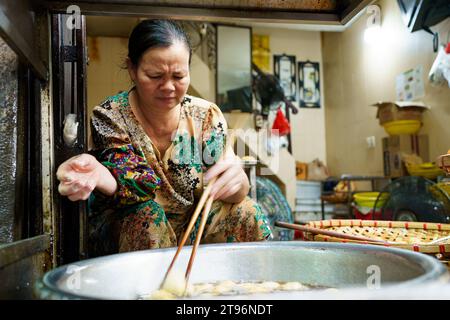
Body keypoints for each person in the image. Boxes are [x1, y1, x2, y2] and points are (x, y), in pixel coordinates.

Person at [56, 19, 272, 257]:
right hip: (131, 227)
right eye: (155, 75)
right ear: (132, 69)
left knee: (246, 210)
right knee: (147, 216)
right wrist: (97, 173)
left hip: (192, 229)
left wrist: (238, 183)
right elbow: (135, 183)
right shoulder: (111, 116)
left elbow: (231, 188)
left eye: (179, 76)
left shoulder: (206, 116)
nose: (168, 86)